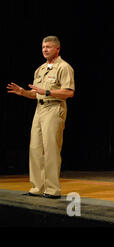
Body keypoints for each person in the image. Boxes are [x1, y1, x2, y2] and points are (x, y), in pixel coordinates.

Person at [7, 36, 75, 199]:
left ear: (57, 49)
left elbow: (69, 92)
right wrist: (23, 92)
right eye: (43, 47)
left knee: (51, 149)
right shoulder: (40, 69)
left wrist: (47, 92)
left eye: (49, 47)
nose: (45, 49)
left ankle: (52, 189)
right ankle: (37, 187)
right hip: (40, 109)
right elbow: (35, 93)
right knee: (35, 148)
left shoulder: (64, 67)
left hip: (54, 108)